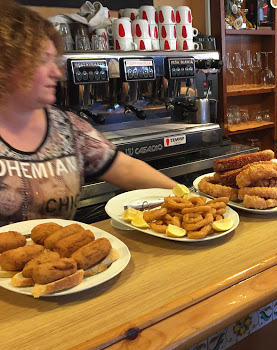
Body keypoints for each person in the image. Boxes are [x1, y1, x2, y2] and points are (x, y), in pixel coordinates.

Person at [0, 1, 178, 225]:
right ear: (6, 64)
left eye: (54, 60)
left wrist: (185, 196)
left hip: (57, 256)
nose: (57, 72)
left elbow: (123, 167)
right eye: (42, 60)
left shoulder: (66, 126)